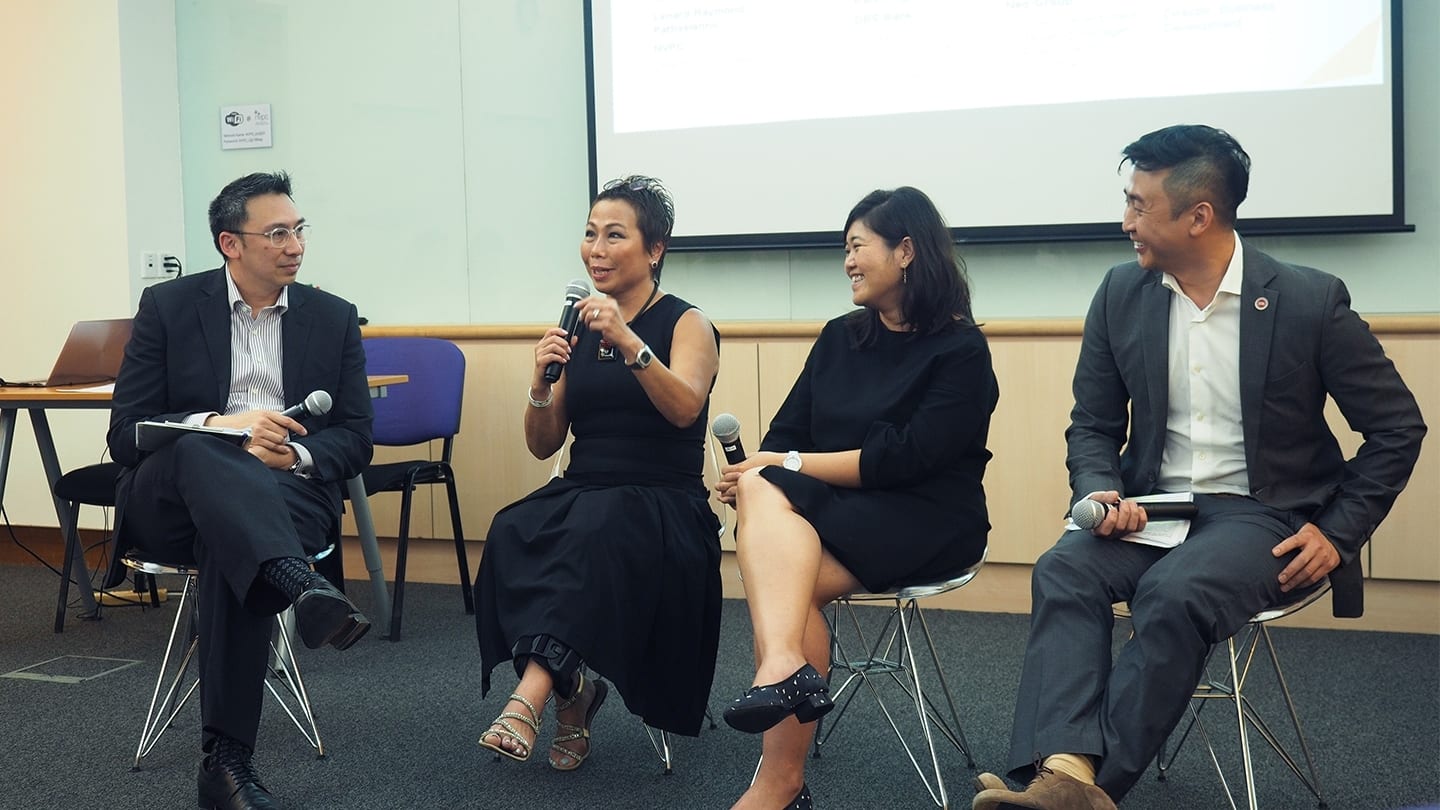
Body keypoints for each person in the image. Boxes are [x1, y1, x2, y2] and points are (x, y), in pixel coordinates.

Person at [972, 125, 1426, 810]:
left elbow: (1397, 427)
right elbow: (1093, 424)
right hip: (1153, 508)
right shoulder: (1121, 294)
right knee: (1063, 567)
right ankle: (1064, 773)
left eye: (1139, 205)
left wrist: (1338, 531)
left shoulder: (1308, 300)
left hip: (1263, 513)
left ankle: (1083, 791)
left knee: (1173, 593)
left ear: (1198, 216)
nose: (1125, 221)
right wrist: (1100, 487)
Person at [716, 186, 998, 810]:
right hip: (839, 510)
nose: (846, 260)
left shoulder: (961, 350)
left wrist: (780, 466)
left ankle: (779, 772)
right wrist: (762, 470)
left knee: (770, 497)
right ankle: (785, 723)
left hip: (926, 517)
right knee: (767, 507)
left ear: (905, 251)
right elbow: (785, 434)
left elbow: (903, 459)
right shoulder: (841, 337)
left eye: (856, 246)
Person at [108, 171, 374, 810]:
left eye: (299, 229)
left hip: (285, 493)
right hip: (171, 498)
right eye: (277, 232)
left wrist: (296, 451)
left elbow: (357, 437)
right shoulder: (169, 307)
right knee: (205, 454)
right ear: (230, 243)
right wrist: (225, 427)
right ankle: (303, 586)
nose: (296, 246)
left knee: (234, 547)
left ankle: (225, 766)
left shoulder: (332, 317)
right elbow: (125, 435)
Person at [473, 175, 722, 772]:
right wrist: (539, 386)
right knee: (512, 529)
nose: (597, 250)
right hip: (588, 488)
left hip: (665, 500)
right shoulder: (577, 327)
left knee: (594, 530)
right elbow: (544, 445)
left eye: (615, 236)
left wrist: (630, 342)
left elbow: (685, 408)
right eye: (590, 235)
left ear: (654, 250)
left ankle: (533, 697)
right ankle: (574, 693)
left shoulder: (688, 324)